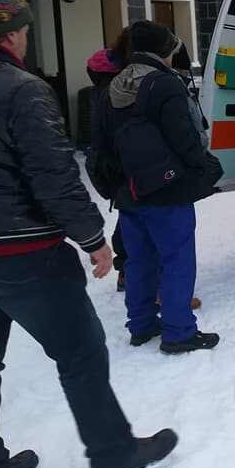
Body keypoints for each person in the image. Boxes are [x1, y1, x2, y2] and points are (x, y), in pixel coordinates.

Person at [0, 0, 177, 468]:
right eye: (26, 30)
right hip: (24, 252)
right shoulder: (23, 91)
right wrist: (94, 238)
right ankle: (113, 451)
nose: (27, 39)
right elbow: (52, 175)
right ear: (10, 35)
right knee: (81, 351)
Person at [100, 20, 222, 354]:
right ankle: (179, 332)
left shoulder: (114, 85)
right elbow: (183, 137)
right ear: (164, 49)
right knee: (177, 259)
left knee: (139, 261)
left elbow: (100, 143)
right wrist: (203, 167)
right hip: (167, 190)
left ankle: (141, 325)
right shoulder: (164, 84)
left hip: (129, 190)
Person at [86, 30, 131, 290]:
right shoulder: (116, 91)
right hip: (120, 165)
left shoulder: (98, 89)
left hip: (109, 165)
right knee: (132, 220)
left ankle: (126, 270)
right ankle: (128, 270)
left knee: (128, 217)